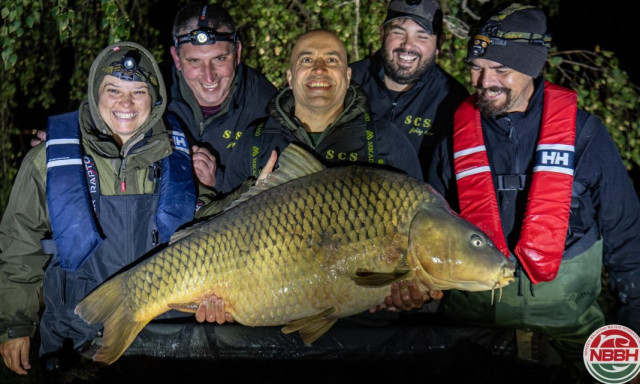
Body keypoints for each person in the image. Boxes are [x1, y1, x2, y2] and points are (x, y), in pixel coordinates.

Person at [426, 2, 640, 375]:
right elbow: (426, 229)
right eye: (475, 69)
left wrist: (632, 330)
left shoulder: (585, 134)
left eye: (501, 70)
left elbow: (627, 238)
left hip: (570, 327)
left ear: (532, 67)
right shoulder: (453, 138)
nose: (484, 82)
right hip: (470, 326)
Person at [0, 41, 197, 375]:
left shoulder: (179, 156)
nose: (126, 103)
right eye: (113, 90)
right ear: (94, 94)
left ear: (155, 99)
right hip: (75, 343)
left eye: (138, 91)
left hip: (166, 342)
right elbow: (19, 246)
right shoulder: (47, 160)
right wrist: (15, 325)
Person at [221, 29, 423, 194]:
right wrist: (251, 196)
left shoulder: (387, 141)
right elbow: (217, 224)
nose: (319, 69)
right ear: (290, 78)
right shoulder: (253, 141)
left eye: (332, 60)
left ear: (347, 75)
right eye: (307, 60)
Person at [349, 0, 469, 180]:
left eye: (422, 36)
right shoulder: (347, 81)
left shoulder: (453, 100)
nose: (407, 45)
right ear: (382, 34)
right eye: (398, 32)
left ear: (439, 44)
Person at [168, 2, 277, 194]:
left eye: (219, 59)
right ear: (177, 60)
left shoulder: (266, 105)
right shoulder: (150, 94)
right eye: (194, 61)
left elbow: (276, 197)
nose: (209, 76)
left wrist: (217, 182)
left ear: (237, 54)